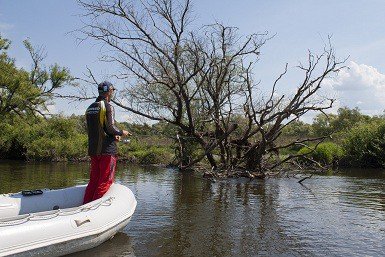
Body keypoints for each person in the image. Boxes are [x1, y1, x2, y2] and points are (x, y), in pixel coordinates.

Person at [83, 81, 130, 204]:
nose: (113, 92)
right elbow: (110, 128)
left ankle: (85, 206)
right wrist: (121, 132)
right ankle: (94, 210)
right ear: (109, 91)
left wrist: (113, 136)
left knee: (94, 181)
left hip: (94, 150)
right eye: (112, 90)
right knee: (105, 181)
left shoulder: (90, 107)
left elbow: (99, 130)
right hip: (107, 151)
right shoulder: (108, 106)